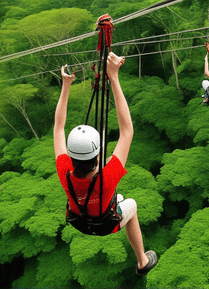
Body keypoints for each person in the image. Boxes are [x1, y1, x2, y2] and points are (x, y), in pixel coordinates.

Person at [54, 51, 158, 276]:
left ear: (71, 156)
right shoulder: (108, 174)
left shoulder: (65, 170)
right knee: (131, 203)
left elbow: (58, 128)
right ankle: (142, 261)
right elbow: (127, 130)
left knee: (115, 193)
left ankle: (141, 259)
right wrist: (114, 78)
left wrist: (65, 86)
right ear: (97, 156)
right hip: (106, 224)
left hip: (80, 220)